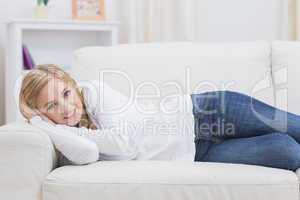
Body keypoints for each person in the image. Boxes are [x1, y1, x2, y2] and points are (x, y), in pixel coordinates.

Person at [19, 64, 300, 171]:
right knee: (288, 153)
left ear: (74, 85)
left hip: (204, 113)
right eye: (52, 105)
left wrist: (48, 121)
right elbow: (88, 152)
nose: (66, 108)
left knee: (295, 127)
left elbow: (124, 144)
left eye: (67, 94)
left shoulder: (95, 91)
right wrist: (38, 123)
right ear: (42, 113)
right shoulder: (64, 139)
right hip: (198, 152)